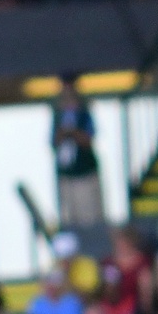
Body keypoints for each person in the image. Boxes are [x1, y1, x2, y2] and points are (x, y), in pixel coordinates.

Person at [52, 82, 104, 229]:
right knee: (69, 216)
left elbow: (88, 140)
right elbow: (54, 141)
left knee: (88, 215)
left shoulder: (84, 116)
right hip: (67, 174)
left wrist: (73, 132)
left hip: (84, 174)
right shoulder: (57, 118)